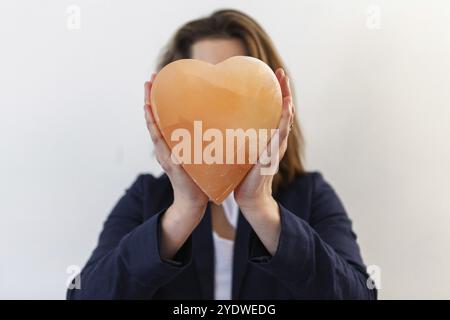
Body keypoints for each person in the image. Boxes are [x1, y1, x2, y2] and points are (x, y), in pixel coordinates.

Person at [67, 9, 376, 300]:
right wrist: (183, 211)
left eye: (238, 91)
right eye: (201, 93)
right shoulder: (146, 197)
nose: (221, 113)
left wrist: (260, 207)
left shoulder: (310, 195)